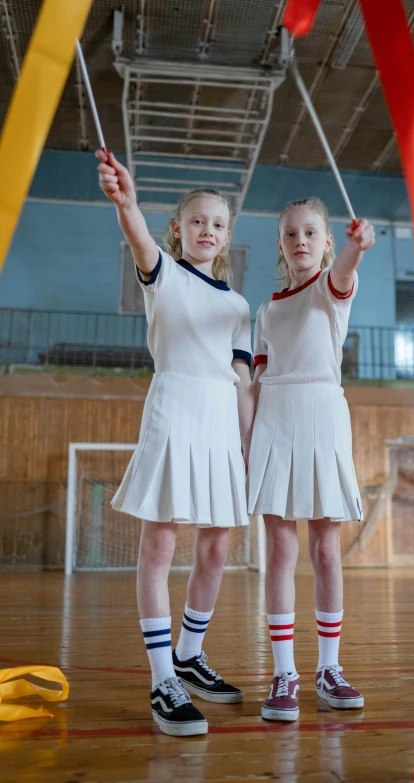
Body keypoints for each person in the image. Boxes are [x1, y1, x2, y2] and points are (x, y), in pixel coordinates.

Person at [97, 149, 254, 736]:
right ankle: (163, 678)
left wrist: (248, 446)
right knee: (160, 546)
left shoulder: (238, 306)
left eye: (217, 223)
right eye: (197, 221)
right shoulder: (160, 270)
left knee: (216, 549)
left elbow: (242, 382)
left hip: (220, 423)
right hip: (174, 410)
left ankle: (190, 655)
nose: (207, 230)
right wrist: (126, 203)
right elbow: (137, 237)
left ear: (228, 236)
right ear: (179, 230)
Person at [248, 197, 375, 721]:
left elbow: (346, 270)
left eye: (311, 234)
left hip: (322, 417)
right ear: (281, 245)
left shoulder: (331, 289)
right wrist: (243, 438)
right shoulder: (266, 310)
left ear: (325, 242)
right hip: (274, 419)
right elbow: (254, 382)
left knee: (325, 549)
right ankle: (284, 673)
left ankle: (329, 668)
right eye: (291, 235)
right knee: (280, 550)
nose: (301, 241)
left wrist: (356, 245)